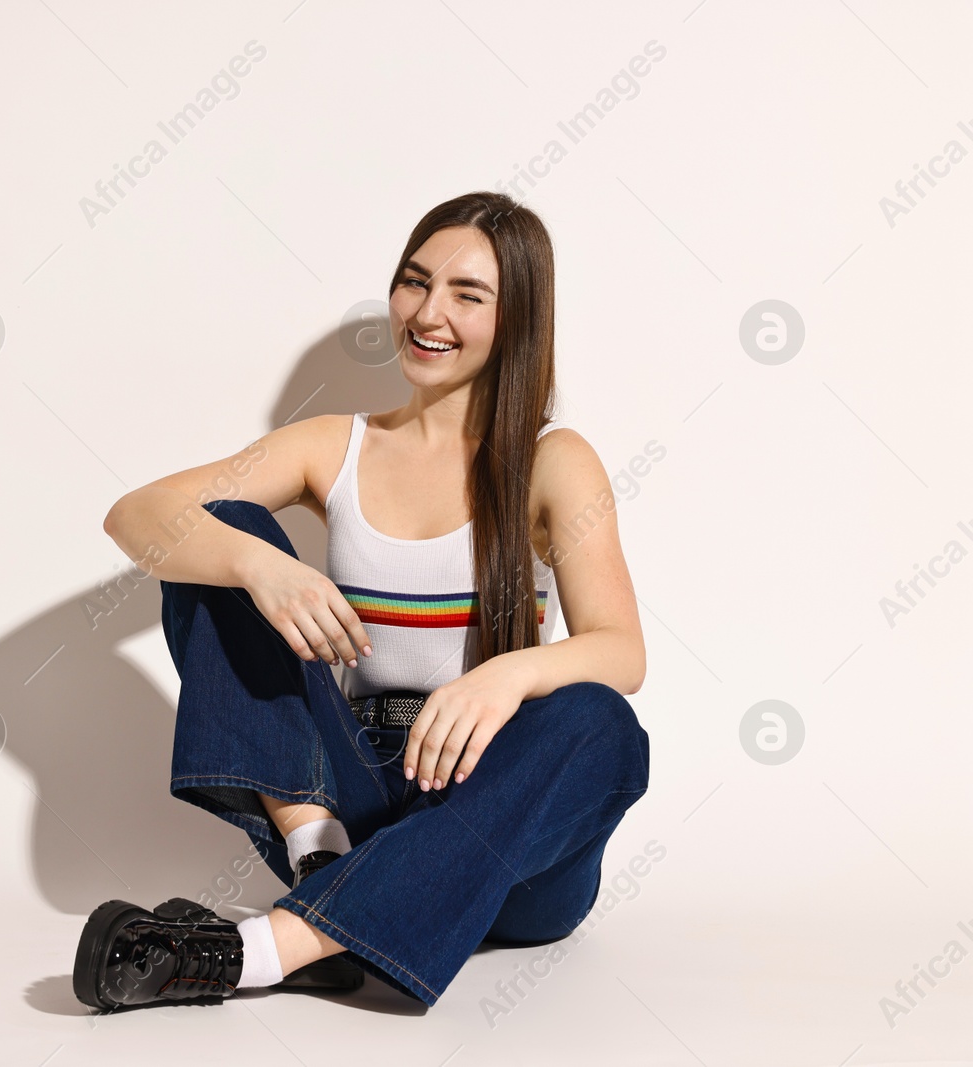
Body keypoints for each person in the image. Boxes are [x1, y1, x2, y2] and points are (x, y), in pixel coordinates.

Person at [73, 190, 651, 1011]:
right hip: (350, 799)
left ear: (517, 316)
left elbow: (622, 651)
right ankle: (321, 866)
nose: (428, 311)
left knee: (602, 725)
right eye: (414, 282)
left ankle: (267, 950)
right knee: (218, 536)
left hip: (501, 819)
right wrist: (259, 564)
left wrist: (507, 676)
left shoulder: (554, 460)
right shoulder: (336, 445)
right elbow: (137, 515)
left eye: (467, 294)